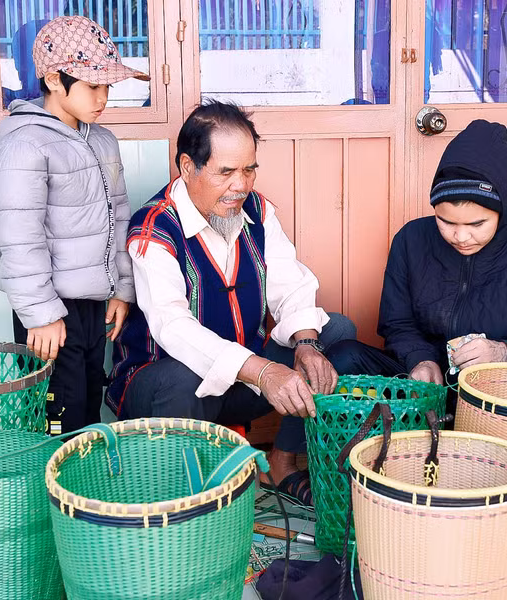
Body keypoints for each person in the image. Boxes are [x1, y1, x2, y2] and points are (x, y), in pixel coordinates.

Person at [107, 101, 357, 506]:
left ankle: (282, 462)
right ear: (188, 167)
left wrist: (307, 344)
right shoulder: (155, 229)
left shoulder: (257, 210)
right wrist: (264, 372)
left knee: (336, 333)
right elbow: (173, 327)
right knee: (182, 376)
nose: (241, 185)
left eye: (249, 169)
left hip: (239, 381)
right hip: (165, 392)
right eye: (226, 172)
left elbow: (289, 283)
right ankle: (184, 500)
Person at [328, 119, 507, 390]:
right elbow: (397, 323)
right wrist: (420, 359)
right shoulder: (411, 240)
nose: (461, 237)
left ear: (503, 212)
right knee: (343, 356)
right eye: (446, 222)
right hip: (424, 384)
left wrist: (506, 352)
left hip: (495, 392)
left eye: (477, 224)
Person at [0, 16, 150, 434]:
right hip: (49, 310)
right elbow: (18, 237)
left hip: (95, 304)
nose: (103, 97)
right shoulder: (24, 143)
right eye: (93, 85)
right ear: (55, 80)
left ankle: (85, 492)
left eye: (107, 86)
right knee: (61, 413)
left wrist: (121, 290)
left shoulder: (102, 140)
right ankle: (55, 498)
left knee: (90, 401)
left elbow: (120, 217)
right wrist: (40, 315)